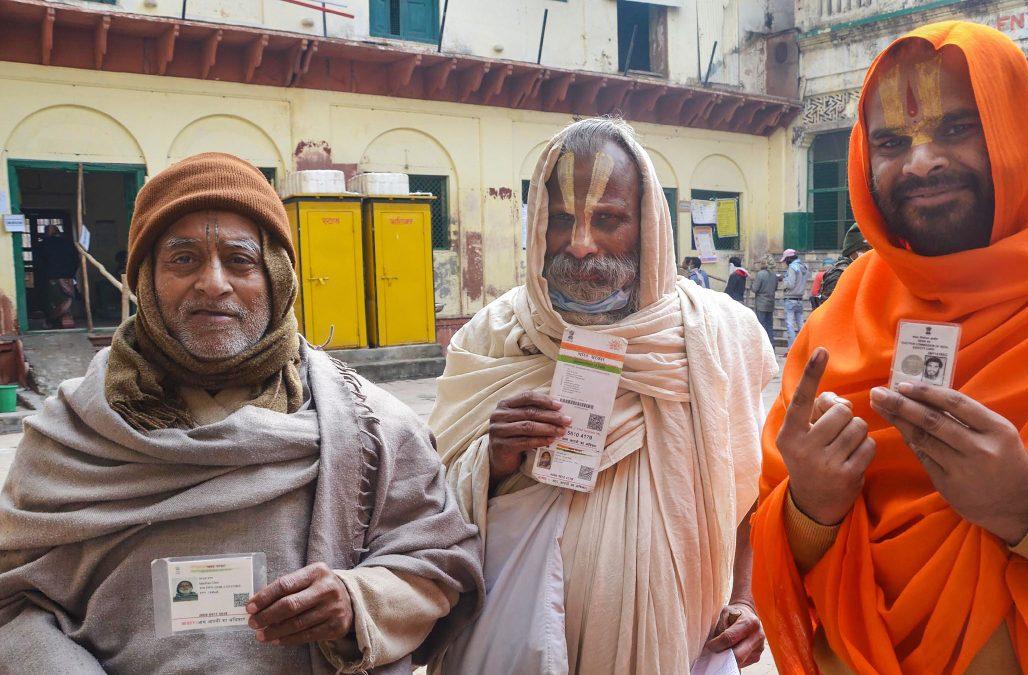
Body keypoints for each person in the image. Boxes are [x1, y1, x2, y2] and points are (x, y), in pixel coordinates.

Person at [752, 22, 1028, 674]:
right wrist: (810, 509)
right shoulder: (839, 322)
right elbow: (782, 554)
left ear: (1015, 126)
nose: (922, 160)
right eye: (891, 141)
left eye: (957, 128)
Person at [0, 153, 483, 674]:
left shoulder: (374, 429)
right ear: (144, 279)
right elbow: (15, 603)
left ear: (277, 276)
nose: (213, 283)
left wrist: (359, 600)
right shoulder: (69, 433)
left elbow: (440, 562)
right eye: (183, 259)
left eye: (239, 260)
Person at [430, 117, 777, 673]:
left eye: (608, 220)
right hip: (508, 641)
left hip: (681, 639)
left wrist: (745, 597)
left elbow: (745, 488)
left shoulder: (719, 335)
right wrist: (491, 461)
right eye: (562, 219)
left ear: (649, 224)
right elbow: (423, 500)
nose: (582, 245)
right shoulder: (492, 335)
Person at [32, 224, 80, 328]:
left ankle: (51, 320)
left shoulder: (42, 245)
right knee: (67, 299)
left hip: (52, 278)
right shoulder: (69, 244)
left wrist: (44, 276)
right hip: (68, 277)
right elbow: (76, 261)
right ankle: (65, 320)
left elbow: (38, 264)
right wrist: (71, 274)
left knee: (55, 302)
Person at [817, 223, 871, 305]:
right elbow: (829, 308)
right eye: (865, 249)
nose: (869, 253)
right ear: (852, 251)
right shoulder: (839, 274)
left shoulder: (864, 270)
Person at [779, 249, 808, 345]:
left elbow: (790, 284)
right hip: (800, 299)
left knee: (790, 325)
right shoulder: (803, 266)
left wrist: (784, 280)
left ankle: (791, 349)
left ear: (789, 258)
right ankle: (803, 347)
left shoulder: (792, 267)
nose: (785, 262)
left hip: (790, 300)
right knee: (801, 326)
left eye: (785, 260)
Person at [748, 256, 778, 339]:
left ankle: (763, 346)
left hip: (761, 303)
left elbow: (755, 289)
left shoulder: (760, 274)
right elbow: (775, 288)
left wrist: (751, 283)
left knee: (761, 325)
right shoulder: (774, 275)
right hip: (770, 303)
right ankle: (771, 346)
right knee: (769, 326)